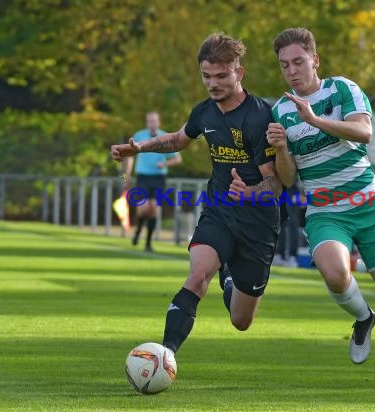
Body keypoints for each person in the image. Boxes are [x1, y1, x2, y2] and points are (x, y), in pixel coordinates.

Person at [266, 27, 375, 388]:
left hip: (369, 208)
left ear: (315, 60)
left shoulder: (343, 89)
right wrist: (281, 149)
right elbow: (288, 178)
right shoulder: (280, 110)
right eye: (284, 65)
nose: (292, 71)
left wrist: (314, 119)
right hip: (325, 211)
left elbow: (364, 133)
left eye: (298, 61)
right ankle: (363, 317)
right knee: (335, 273)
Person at [110, 33, 282, 363]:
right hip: (219, 209)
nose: (213, 83)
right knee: (197, 274)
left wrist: (249, 192)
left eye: (221, 76)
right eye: (207, 76)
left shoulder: (260, 116)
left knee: (240, 320)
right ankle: (165, 356)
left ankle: (228, 273)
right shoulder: (204, 112)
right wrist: (140, 147)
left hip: (258, 221)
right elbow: (179, 138)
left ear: (238, 73)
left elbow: (274, 185)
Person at [123, 111, 182, 252]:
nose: (152, 124)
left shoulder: (165, 137)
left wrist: (166, 164)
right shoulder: (139, 135)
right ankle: (138, 231)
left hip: (158, 177)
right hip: (143, 176)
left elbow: (177, 158)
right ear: (146, 122)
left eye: (154, 121)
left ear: (159, 122)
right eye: (149, 121)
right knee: (143, 208)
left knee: (154, 209)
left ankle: (148, 242)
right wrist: (127, 174)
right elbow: (130, 156)